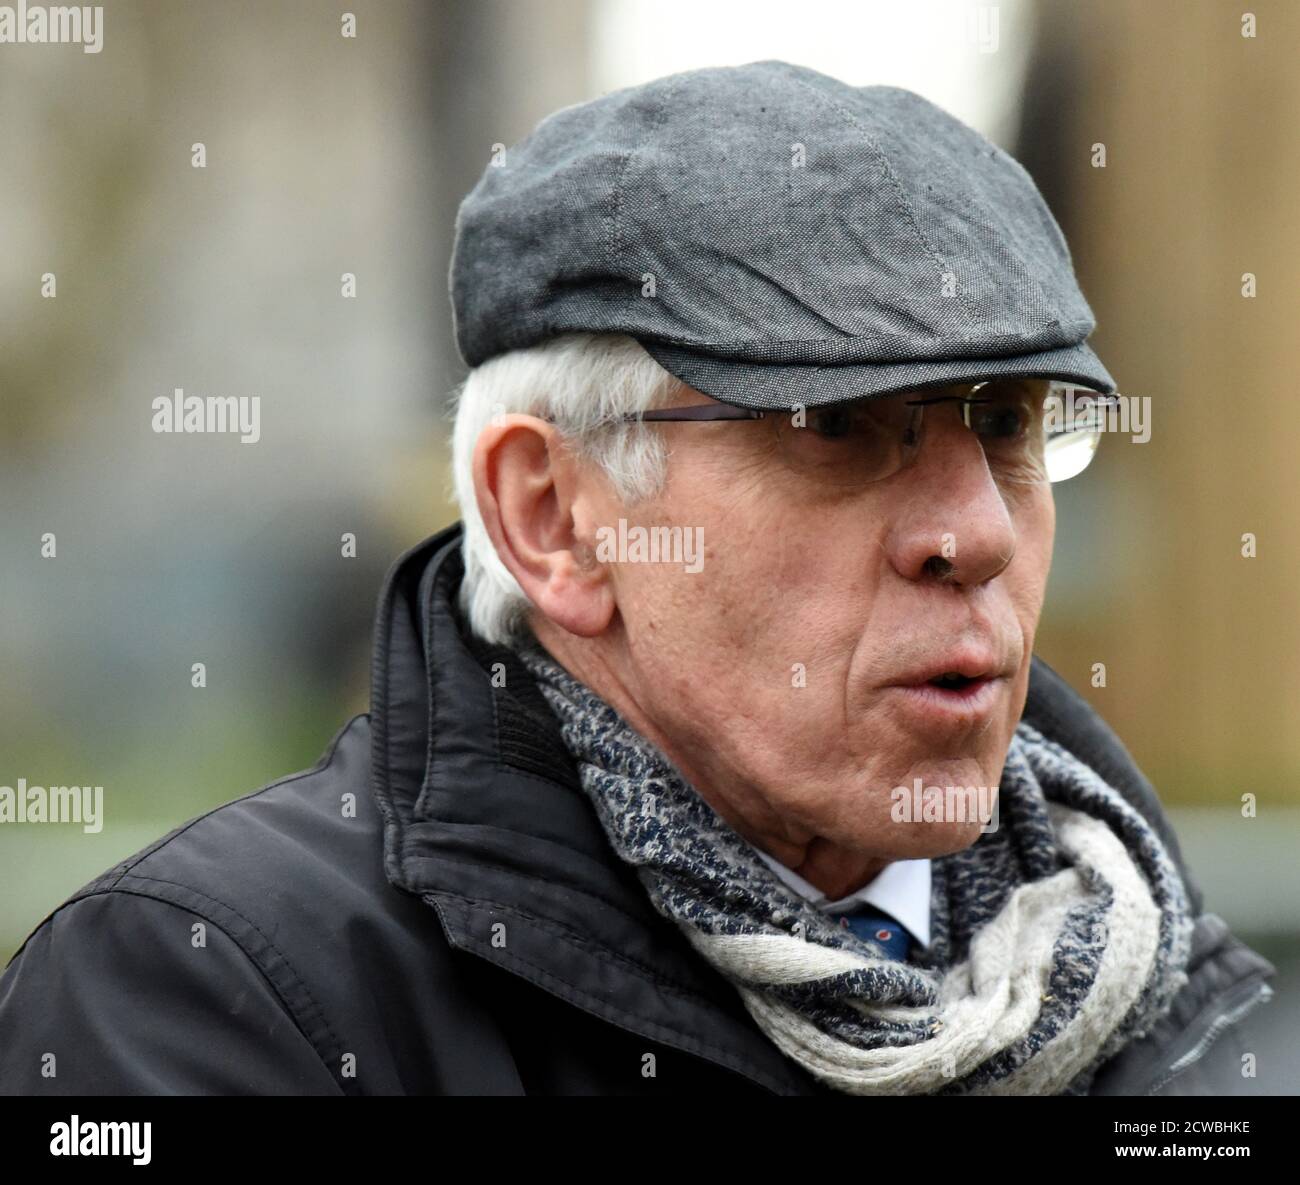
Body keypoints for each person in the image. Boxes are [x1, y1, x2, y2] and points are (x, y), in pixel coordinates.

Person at [0, 61, 1276, 1096]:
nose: (975, 535)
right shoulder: (211, 993)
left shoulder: (1168, 987)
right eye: (834, 429)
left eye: (1004, 424)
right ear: (551, 516)